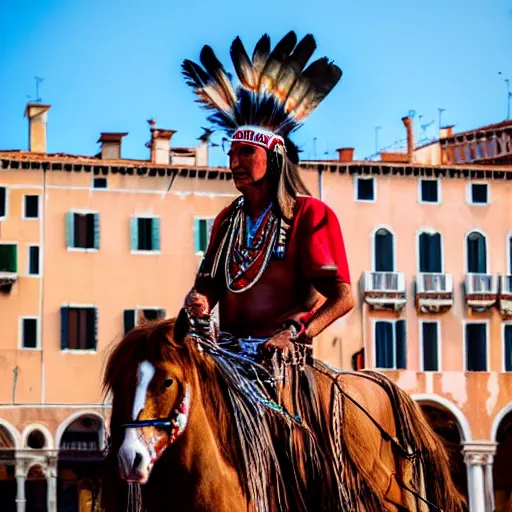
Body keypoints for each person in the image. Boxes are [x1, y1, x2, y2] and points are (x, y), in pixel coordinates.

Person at [182, 30, 355, 361]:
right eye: (231, 153)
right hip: (228, 358)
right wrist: (199, 302)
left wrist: (293, 334)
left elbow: (342, 297)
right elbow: (208, 287)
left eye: (246, 153)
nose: (234, 163)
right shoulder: (228, 220)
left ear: (274, 158)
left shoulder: (309, 215)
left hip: (283, 364)